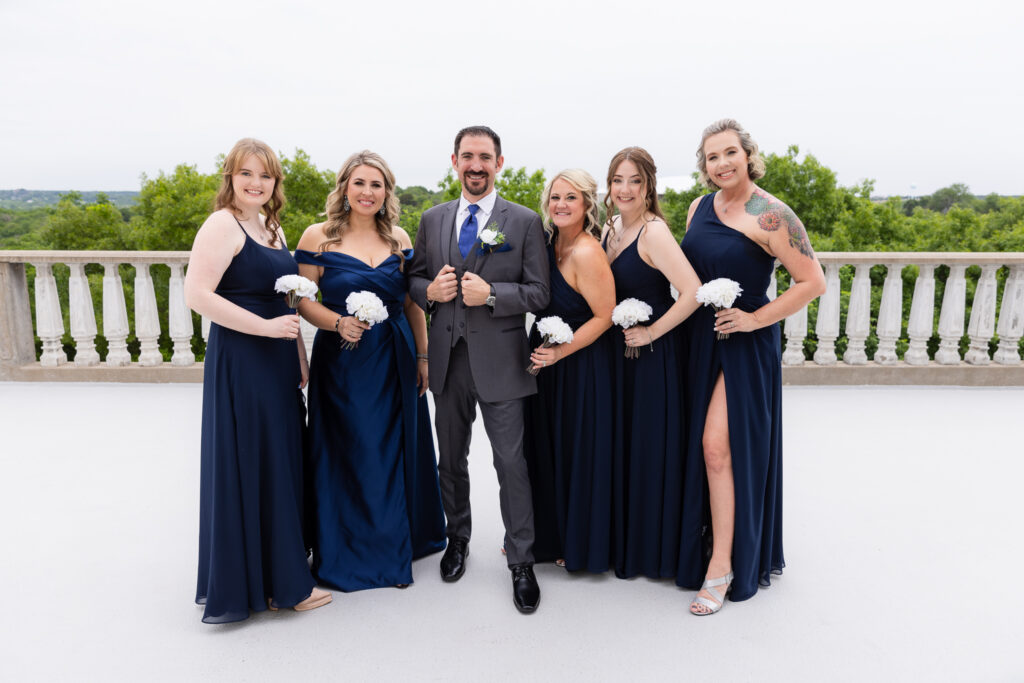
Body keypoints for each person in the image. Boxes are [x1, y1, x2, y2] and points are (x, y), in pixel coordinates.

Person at [679, 119, 826, 615]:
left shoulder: (772, 214)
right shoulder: (699, 207)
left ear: (747, 155)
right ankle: (703, 542)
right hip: (698, 340)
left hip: (745, 343)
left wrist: (753, 320)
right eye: (711, 157)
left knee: (717, 447)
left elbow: (812, 282)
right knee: (698, 448)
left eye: (729, 154)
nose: (721, 164)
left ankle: (722, 565)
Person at [186, 138, 331, 623]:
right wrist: (268, 330)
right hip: (243, 358)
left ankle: (276, 579)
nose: (256, 183)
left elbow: (285, 299)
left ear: (275, 183)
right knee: (253, 460)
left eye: (265, 176)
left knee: (280, 462)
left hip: (278, 359)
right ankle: (277, 585)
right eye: (246, 173)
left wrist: (298, 354)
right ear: (230, 176)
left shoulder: (270, 225)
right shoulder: (221, 224)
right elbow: (197, 294)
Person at [408, 125, 550, 613]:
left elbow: (539, 291)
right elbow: (415, 278)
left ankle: (522, 561)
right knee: (451, 460)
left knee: (511, 464)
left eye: (485, 157)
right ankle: (458, 539)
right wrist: (431, 291)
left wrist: (491, 295)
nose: (476, 165)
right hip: (448, 363)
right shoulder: (432, 218)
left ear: (499, 163)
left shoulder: (525, 221)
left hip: (504, 365)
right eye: (467, 156)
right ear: (454, 161)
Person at [294, 151, 446, 592]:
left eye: (376, 185)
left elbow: (412, 302)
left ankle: (397, 539)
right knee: (351, 448)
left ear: (387, 192)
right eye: (359, 183)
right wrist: (337, 322)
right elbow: (303, 299)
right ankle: (349, 548)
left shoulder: (398, 238)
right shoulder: (318, 236)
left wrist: (423, 355)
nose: (367, 192)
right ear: (344, 187)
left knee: (394, 448)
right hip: (343, 358)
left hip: (395, 356)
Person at [600, 147, 703, 582]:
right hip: (617, 359)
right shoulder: (610, 228)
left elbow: (693, 291)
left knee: (647, 450)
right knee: (622, 449)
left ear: (649, 187)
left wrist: (651, 332)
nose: (625, 189)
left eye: (634, 181)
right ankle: (620, 541)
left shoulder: (654, 232)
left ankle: (650, 550)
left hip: (652, 359)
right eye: (618, 180)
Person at [524, 169, 616, 572]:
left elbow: (605, 316)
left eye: (571, 198)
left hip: (579, 365)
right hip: (543, 362)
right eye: (555, 197)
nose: (560, 204)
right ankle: (544, 535)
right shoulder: (546, 242)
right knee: (542, 447)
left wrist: (561, 354)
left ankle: (574, 540)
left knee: (575, 450)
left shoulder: (586, 251)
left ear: (587, 205)